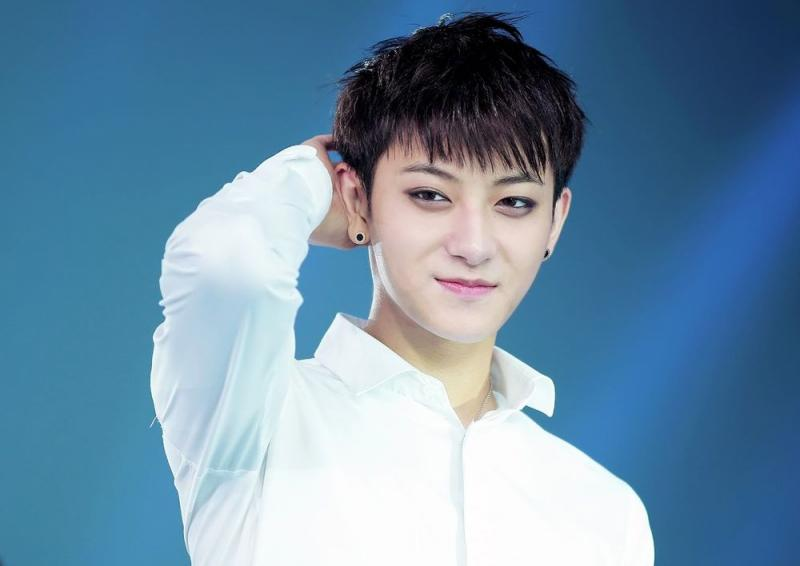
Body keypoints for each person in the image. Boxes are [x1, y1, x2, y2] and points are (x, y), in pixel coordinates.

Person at [150, 10, 654, 566]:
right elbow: (225, 261)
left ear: (554, 221)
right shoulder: (250, 420)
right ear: (358, 197)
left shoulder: (606, 513)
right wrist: (307, 178)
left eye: (514, 202)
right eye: (430, 195)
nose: (474, 245)